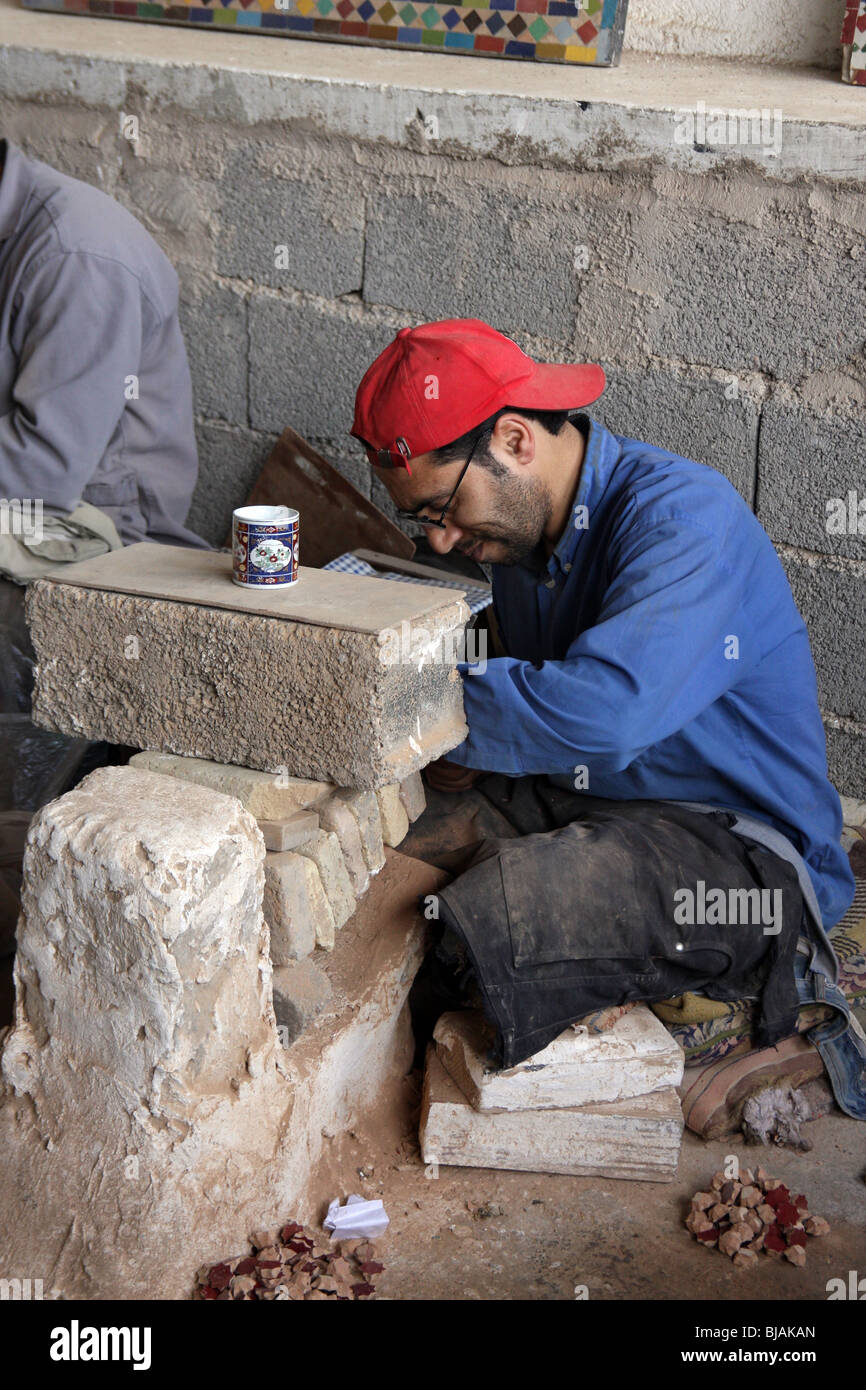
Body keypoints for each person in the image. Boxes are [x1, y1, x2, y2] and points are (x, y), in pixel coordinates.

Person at [352, 317, 865, 1118]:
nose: (444, 538)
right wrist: (472, 753)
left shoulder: (685, 518)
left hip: (738, 849)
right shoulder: (520, 542)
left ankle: (771, 1010)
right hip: (602, 803)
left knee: (515, 911)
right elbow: (542, 713)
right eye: (426, 521)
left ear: (515, 440)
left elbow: (609, 713)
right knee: (388, 856)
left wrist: (428, 704)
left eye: (443, 508)